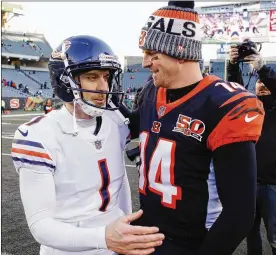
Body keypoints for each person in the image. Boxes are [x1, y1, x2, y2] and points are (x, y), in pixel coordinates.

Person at [118, 1, 265, 254]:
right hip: (146, 234)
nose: (144, 63)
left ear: (180, 52)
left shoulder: (223, 105)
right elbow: (139, 127)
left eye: (152, 54)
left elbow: (239, 214)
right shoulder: (152, 90)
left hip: (190, 243)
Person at [11, 35, 164, 255]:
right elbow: (40, 225)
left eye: (106, 76)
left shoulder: (116, 122)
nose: (103, 86)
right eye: (92, 77)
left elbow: (119, 183)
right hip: (69, 250)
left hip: (117, 244)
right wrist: (104, 237)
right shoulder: (37, 135)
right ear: (66, 82)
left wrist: (124, 223)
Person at [228, 43, 276, 255]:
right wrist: (232, 65)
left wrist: (262, 68)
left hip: (273, 184)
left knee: (275, 235)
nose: (261, 85)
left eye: (265, 82)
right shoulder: (249, 107)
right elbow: (233, 90)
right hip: (248, 182)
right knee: (250, 232)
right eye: (258, 82)